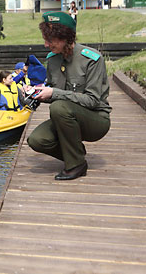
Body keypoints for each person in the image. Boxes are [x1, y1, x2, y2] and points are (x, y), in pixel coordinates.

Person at [27, 11, 111, 180]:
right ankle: (77, 154)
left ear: (66, 37)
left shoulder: (92, 59)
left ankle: (76, 165)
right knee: (36, 140)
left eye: (50, 40)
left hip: (96, 120)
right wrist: (36, 94)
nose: (45, 45)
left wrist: (54, 93)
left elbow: (93, 100)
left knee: (59, 107)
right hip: (66, 117)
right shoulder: (53, 59)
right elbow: (53, 91)